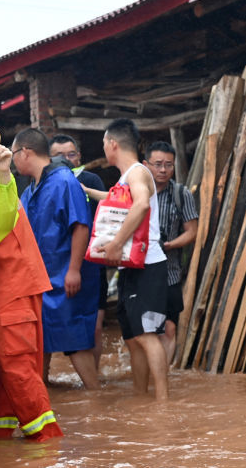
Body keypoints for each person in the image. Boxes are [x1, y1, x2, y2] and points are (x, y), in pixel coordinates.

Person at [84, 119, 170, 400]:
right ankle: (141, 396)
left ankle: (163, 403)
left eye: (103, 144)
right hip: (133, 267)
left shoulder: (136, 172)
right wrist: (84, 192)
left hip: (149, 265)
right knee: (134, 339)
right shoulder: (127, 177)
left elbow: (142, 204)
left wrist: (116, 243)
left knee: (147, 334)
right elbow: (111, 199)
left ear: (113, 144)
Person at [11, 128, 100, 390]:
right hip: (40, 277)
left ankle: (95, 395)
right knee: (41, 338)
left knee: (73, 339)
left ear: (25, 152)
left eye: (14, 154)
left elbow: (81, 226)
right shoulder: (30, 189)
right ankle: (42, 391)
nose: (14, 162)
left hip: (64, 274)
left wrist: (74, 269)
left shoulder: (63, 181)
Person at [0, 132, 64, 442]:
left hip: (11, 292)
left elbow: (1, 221)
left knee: (17, 369)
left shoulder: (3, 185)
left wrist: (1, 172)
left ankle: (46, 449)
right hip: (11, 290)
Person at [49, 134, 108, 372]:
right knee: (54, 324)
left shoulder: (91, 179)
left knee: (94, 326)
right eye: (59, 156)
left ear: (79, 156)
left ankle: (91, 384)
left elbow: (105, 218)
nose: (66, 159)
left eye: (70, 154)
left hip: (92, 264)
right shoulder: (45, 183)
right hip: (58, 267)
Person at [143, 141, 198, 366]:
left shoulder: (180, 194)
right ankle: (144, 374)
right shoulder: (137, 193)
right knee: (145, 329)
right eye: (158, 164)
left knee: (169, 327)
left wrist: (168, 245)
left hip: (169, 274)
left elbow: (192, 232)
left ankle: (162, 376)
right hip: (141, 274)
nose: (163, 170)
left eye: (168, 165)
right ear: (146, 165)